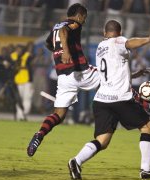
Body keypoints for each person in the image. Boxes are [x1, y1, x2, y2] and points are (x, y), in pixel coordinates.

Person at [67, 20, 150, 180]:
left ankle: (76, 161)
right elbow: (130, 43)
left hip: (101, 100)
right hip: (120, 98)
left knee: (102, 140)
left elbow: (112, 71)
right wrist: (149, 39)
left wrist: (132, 75)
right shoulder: (118, 41)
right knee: (148, 126)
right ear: (119, 32)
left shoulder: (100, 47)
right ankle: (146, 169)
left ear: (105, 33)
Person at [26, 3, 100, 157]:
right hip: (79, 70)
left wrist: (58, 52)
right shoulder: (72, 24)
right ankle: (141, 100)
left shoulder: (54, 28)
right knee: (110, 77)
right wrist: (66, 51)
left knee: (58, 114)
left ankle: (39, 134)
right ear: (79, 15)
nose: (84, 21)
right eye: (84, 17)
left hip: (64, 76)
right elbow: (64, 31)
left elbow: (48, 43)